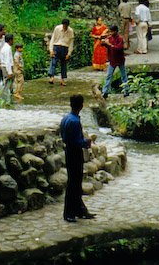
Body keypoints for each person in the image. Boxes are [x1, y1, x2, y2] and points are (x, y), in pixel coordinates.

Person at [60, 94, 94, 222]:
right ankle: (69, 212)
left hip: (69, 152)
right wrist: (86, 142)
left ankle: (79, 210)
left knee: (74, 182)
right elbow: (76, 141)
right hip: (75, 153)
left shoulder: (66, 118)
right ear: (81, 106)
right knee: (74, 183)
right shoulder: (75, 121)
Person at [101, 24, 129, 97]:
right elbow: (103, 44)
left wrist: (109, 44)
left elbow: (118, 48)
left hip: (120, 60)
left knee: (123, 76)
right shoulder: (110, 38)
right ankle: (105, 91)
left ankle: (126, 90)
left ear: (116, 31)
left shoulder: (120, 39)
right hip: (112, 60)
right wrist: (103, 41)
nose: (111, 33)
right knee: (108, 76)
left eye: (112, 32)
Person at [48, 18, 75, 86]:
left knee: (63, 64)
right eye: (64, 25)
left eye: (66, 26)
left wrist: (69, 53)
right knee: (53, 62)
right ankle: (52, 77)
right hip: (57, 46)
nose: (65, 27)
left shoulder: (70, 31)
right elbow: (53, 38)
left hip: (65, 47)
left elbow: (71, 43)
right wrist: (51, 50)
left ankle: (62, 79)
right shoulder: (57, 28)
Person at [0, 34, 14, 102]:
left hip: (4, 66)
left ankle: (8, 98)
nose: (13, 42)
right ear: (10, 40)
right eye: (12, 40)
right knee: (7, 83)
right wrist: (10, 72)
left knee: (8, 83)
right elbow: (7, 61)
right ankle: (5, 99)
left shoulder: (4, 47)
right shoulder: (7, 48)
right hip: (6, 67)